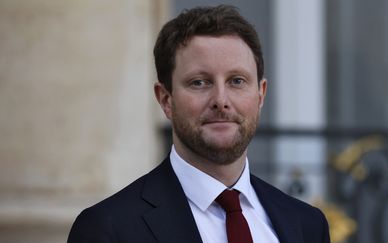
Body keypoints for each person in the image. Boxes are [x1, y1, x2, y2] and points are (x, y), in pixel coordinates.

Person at [67, 5, 330, 243]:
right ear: (166, 99)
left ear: (260, 94)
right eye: (199, 82)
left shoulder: (307, 225)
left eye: (237, 81)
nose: (220, 100)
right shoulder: (108, 229)